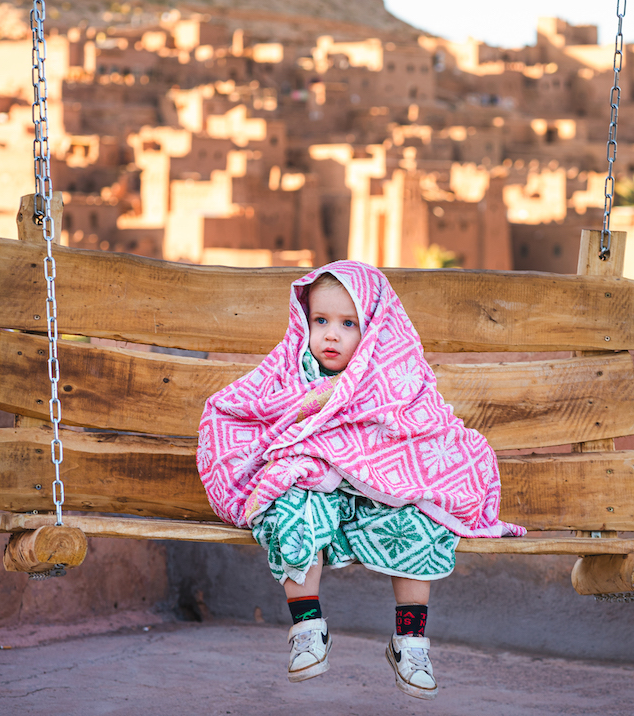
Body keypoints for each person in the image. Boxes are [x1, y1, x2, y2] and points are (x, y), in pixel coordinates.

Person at [198, 260, 523, 700]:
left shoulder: (395, 377)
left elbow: (428, 432)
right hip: (318, 485)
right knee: (290, 505)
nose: (331, 334)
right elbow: (244, 409)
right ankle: (308, 628)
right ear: (304, 321)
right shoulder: (290, 371)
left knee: (421, 521)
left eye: (348, 323)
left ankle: (410, 642)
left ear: (374, 327)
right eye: (321, 321)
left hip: (382, 495)